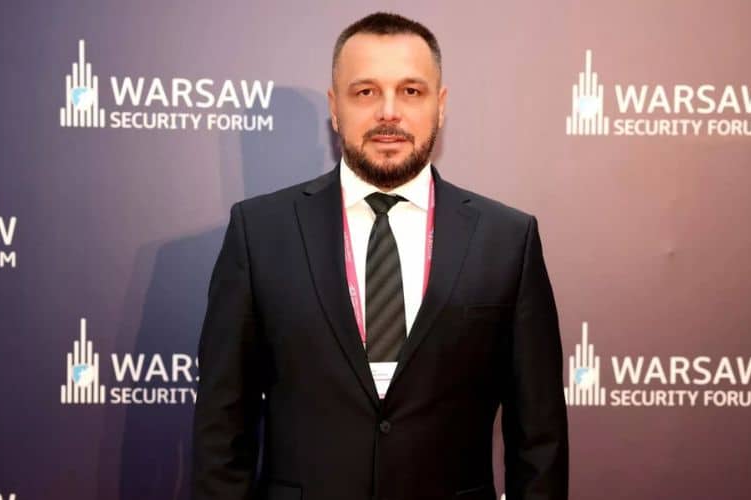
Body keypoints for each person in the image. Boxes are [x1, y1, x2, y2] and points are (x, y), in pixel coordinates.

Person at [192, 12, 568, 500]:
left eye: (411, 91)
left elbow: (539, 439)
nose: (388, 112)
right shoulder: (259, 232)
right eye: (365, 92)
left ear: (440, 105)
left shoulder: (508, 239)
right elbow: (222, 427)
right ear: (335, 107)